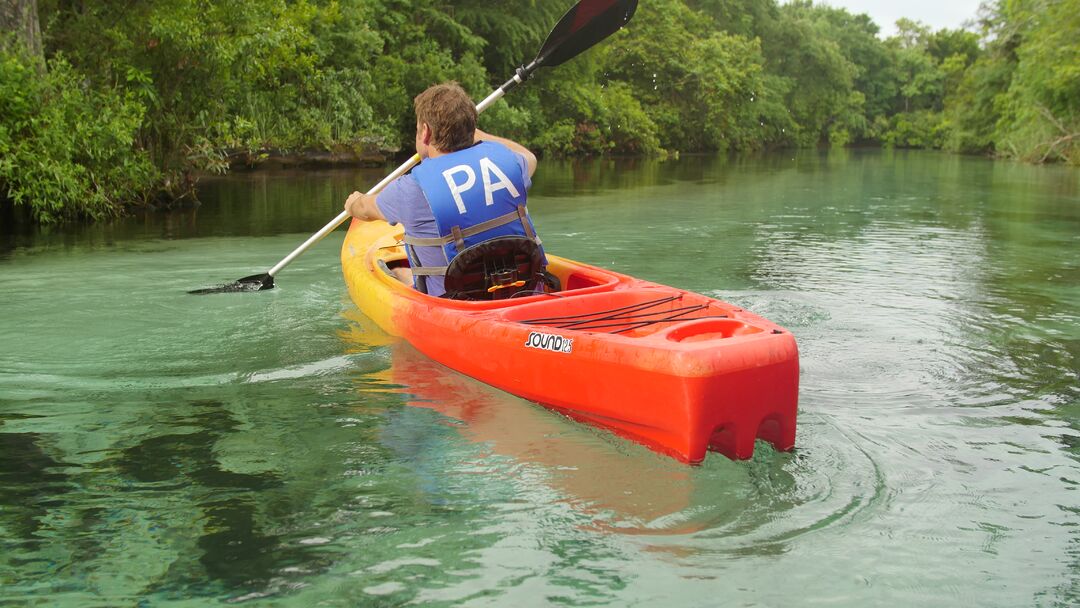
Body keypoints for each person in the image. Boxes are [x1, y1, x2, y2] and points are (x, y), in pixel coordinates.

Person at [344, 82, 544, 298]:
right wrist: (476, 132)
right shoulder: (509, 163)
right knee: (403, 270)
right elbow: (530, 158)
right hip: (523, 288)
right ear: (471, 128)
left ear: (426, 132)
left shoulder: (411, 188)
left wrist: (353, 202)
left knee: (398, 270)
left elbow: (364, 210)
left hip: (455, 302)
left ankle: (402, 273)